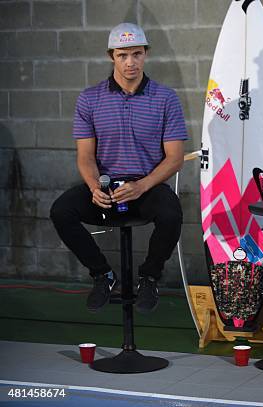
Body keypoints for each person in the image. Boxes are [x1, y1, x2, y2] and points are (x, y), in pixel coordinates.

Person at [50, 23, 188, 314]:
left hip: (145, 187)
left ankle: (149, 278)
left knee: (171, 213)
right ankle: (102, 275)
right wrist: (93, 187)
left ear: (146, 55)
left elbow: (174, 158)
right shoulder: (90, 99)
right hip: (106, 189)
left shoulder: (166, 98)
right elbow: (85, 155)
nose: (130, 62)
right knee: (62, 211)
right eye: (123, 55)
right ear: (111, 55)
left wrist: (142, 185)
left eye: (137, 54)